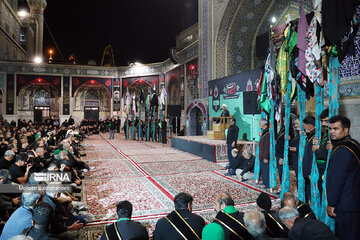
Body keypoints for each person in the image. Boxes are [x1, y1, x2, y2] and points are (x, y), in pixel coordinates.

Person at [326, 115, 360, 240]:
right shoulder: (355, 144)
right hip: (354, 200)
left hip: (345, 204)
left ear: (346, 130)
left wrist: (331, 203)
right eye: (330, 129)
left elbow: (337, 180)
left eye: (336, 129)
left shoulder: (342, 150)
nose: (331, 132)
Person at [311, 109, 329, 199]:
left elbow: (326, 154)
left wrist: (317, 149)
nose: (324, 124)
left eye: (326, 121)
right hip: (320, 168)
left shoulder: (331, 137)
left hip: (326, 168)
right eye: (322, 121)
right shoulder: (324, 135)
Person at [302, 116, 315, 203]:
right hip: (307, 169)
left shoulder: (315, 137)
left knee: (311, 191)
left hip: (311, 170)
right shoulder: (310, 136)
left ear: (310, 126)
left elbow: (312, 156)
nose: (303, 127)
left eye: (304, 125)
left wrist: (310, 172)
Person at [258, 119, 270, 188]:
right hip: (262, 155)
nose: (259, 124)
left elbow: (267, 146)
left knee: (266, 170)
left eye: (260, 123)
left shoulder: (267, 133)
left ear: (263, 124)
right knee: (263, 169)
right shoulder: (264, 132)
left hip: (264, 155)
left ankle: (267, 183)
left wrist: (266, 157)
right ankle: (264, 181)